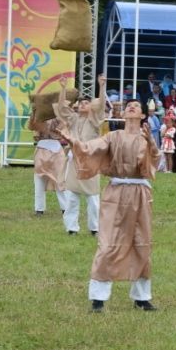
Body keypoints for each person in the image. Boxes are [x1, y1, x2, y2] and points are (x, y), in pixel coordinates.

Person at [62, 99, 161, 313]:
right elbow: (91, 147)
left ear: (143, 115)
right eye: (128, 106)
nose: (132, 107)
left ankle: (141, 297)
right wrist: (75, 142)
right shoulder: (113, 136)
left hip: (140, 193)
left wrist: (152, 145)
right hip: (115, 193)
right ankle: (98, 299)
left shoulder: (146, 138)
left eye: (137, 105)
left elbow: (154, 164)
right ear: (124, 114)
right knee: (107, 243)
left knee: (141, 243)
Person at [53, 74, 106, 236]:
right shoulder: (74, 119)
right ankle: (71, 228)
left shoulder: (95, 120)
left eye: (86, 103)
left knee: (93, 199)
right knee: (71, 197)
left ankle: (95, 228)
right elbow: (62, 108)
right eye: (81, 103)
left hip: (91, 161)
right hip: (74, 160)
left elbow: (102, 105)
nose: (83, 105)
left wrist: (102, 87)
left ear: (91, 107)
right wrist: (63, 89)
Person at [28, 104, 67, 216]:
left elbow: (62, 128)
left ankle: (65, 208)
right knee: (39, 179)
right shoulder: (39, 118)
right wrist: (34, 113)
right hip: (42, 149)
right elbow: (32, 126)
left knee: (60, 179)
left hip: (56, 150)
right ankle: (39, 209)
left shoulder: (59, 118)